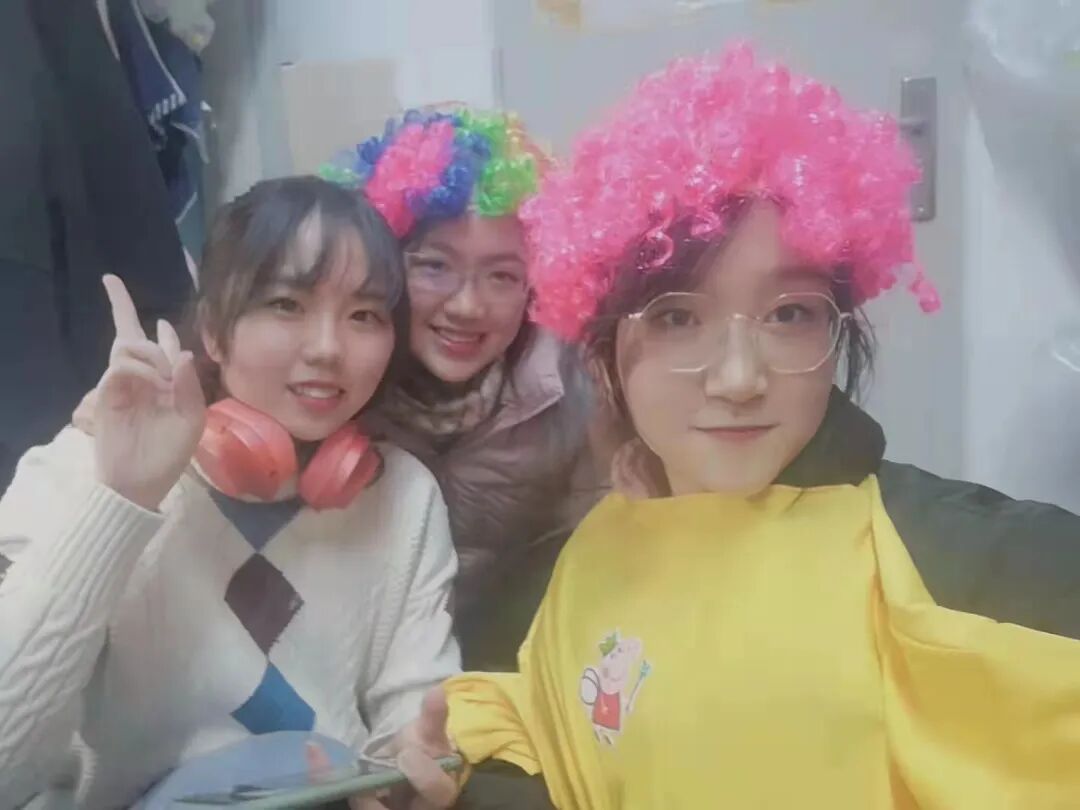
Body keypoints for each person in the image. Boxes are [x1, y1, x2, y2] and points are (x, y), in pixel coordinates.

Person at [444, 46, 1080, 808]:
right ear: (604, 345)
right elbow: (562, 717)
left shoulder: (925, 559)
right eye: (677, 318)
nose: (740, 378)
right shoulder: (595, 551)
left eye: (789, 315)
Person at [0, 177, 461, 808]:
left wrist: (413, 776)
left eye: (364, 316)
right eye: (286, 304)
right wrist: (121, 499)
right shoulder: (84, 464)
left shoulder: (401, 494)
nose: (328, 349)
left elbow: (414, 727)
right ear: (214, 331)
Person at [321, 107, 604, 668]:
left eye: (502, 276)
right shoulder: (332, 376)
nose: (468, 305)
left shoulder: (571, 385)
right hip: (359, 661)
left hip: (508, 660)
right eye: (434, 266)